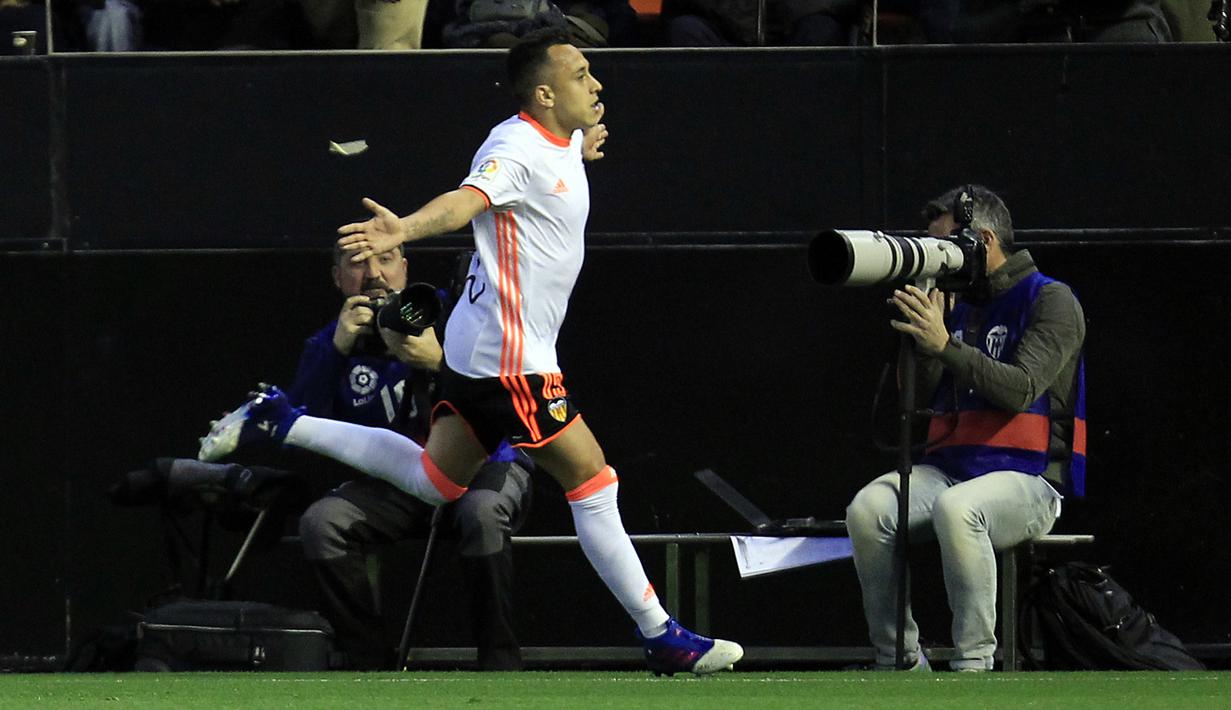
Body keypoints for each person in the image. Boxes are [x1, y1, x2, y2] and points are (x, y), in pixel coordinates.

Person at [204, 28, 741, 676]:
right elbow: (466, 201)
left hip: (477, 345)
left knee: (436, 481)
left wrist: (581, 148)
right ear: (544, 93)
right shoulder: (514, 148)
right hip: (510, 358)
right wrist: (402, 227)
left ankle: (283, 420)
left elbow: (560, 160)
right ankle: (661, 635)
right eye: (580, 74)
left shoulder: (560, 138)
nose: (595, 84)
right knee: (593, 481)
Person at [202, 244, 534, 671]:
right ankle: (370, 665)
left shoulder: (452, 310)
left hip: (487, 465)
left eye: (386, 259)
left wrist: (438, 362)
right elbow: (305, 431)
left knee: (483, 512)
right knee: (323, 523)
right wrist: (335, 351)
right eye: (358, 263)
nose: (374, 274)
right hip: (398, 482)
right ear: (338, 278)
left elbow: (510, 397)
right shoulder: (329, 342)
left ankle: (500, 666)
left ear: (406, 269)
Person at [844, 185, 1086, 672]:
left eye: (949, 247)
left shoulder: (1051, 300)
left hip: (1031, 478)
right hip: (951, 466)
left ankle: (974, 664)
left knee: (959, 509)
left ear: (985, 240)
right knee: (868, 510)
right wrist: (925, 337)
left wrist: (946, 346)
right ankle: (900, 660)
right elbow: (912, 403)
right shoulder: (955, 305)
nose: (944, 260)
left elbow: (1019, 389)